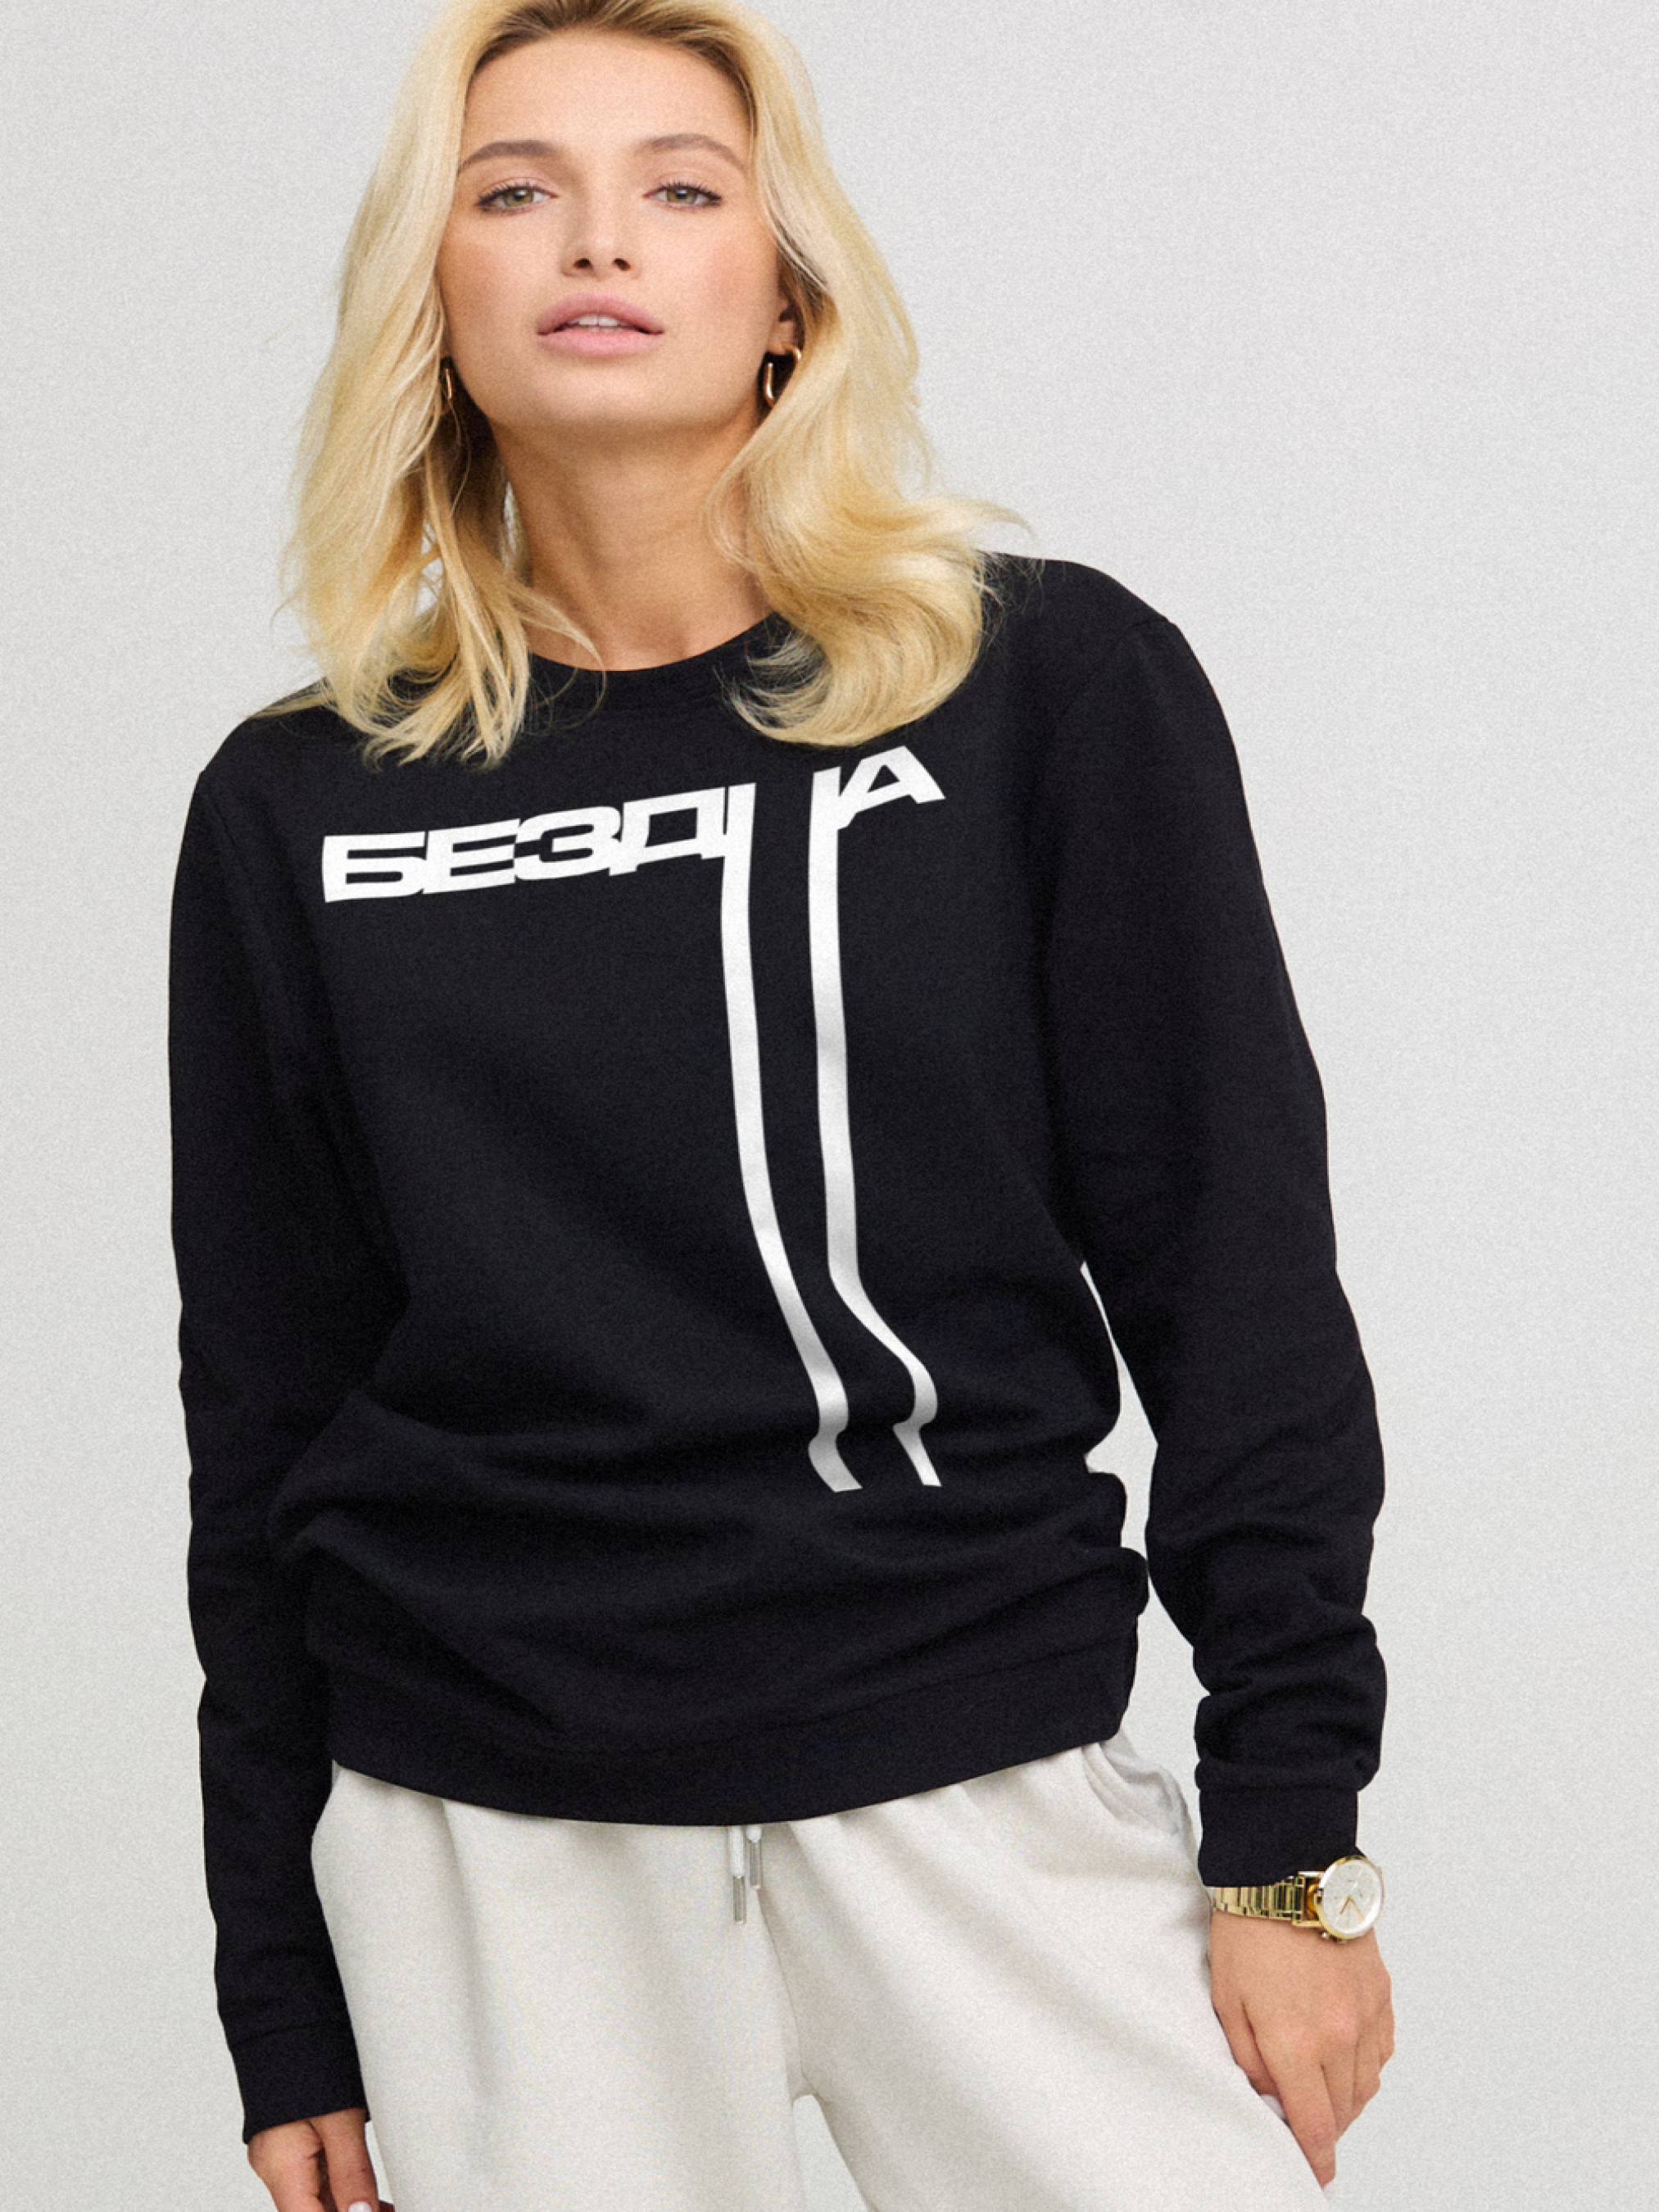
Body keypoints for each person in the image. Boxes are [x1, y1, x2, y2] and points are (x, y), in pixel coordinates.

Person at [165, 2, 1395, 2208]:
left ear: (786, 292)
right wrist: (282, 1981)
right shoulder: (302, 804)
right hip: (492, 1839)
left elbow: (1235, 1282)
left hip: (978, 1766)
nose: (598, 240)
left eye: (681, 186)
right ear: (432, 296)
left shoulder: (1040, 688)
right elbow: (263, 1410)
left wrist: (1291, 1839)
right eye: (514, 189)